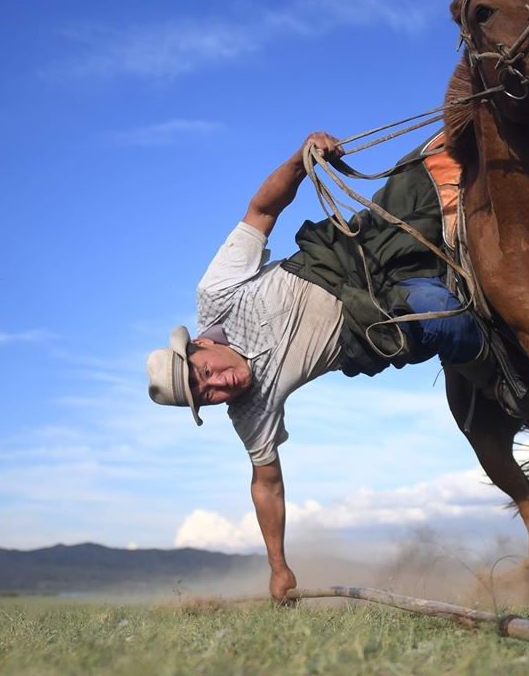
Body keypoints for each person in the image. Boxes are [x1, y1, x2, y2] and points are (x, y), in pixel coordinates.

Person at [146, 132, 485, 601]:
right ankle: (515, 359)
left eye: (205, 374)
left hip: (357, 252)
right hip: (374, 320)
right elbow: (267, 486)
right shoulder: (250, 413)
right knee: (448, 318)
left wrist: (301, 160)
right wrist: (278, 566)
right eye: (206, 396)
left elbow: (261, 212)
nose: (218, 385)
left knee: (426, 175)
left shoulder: (217, 294)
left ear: (200, 343)